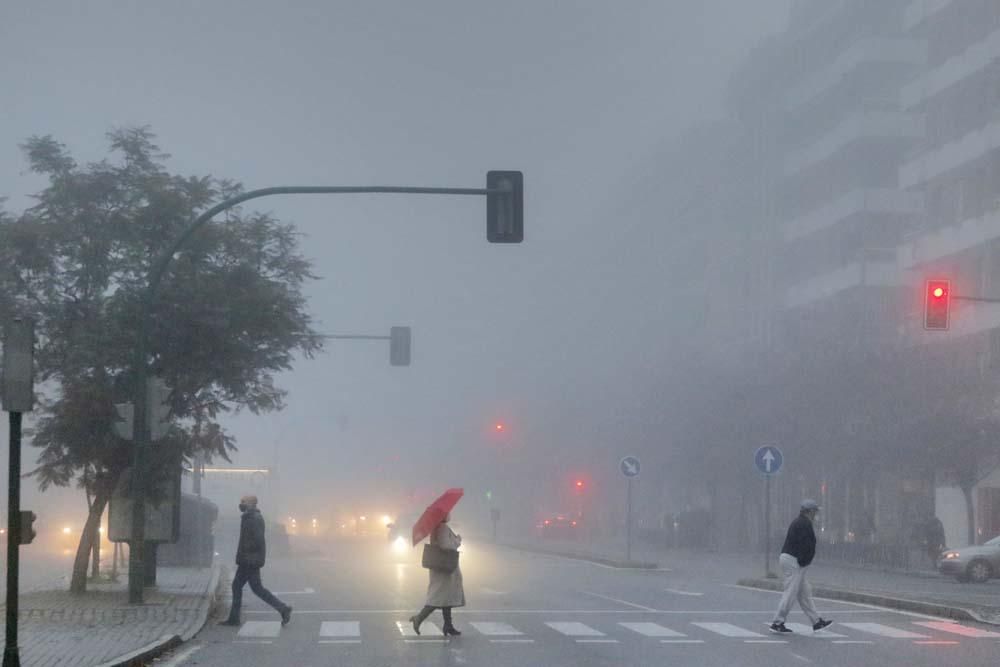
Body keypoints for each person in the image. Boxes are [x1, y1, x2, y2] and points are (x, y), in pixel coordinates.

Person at [219, 495, 292, 627]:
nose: (241, 504)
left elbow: (258, 540)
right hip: (249, 559)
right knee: (256, 588)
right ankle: (283, 609)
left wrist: (246, 550)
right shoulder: (249, 517)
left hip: (249, 560)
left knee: (238, 586)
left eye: (243, 502)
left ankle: (234, 619)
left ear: (252, 503)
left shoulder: (254, 519)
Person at [769, 499, 832, 634]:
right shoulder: (804, 524)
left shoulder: (800, 522)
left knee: (804, 592)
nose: (816, 514)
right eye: (815, 511)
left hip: (791, 559)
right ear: (809, 512)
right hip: (794, 561)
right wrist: (804, 561)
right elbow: (806, 545)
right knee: (791, 592)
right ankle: (777, 622)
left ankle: (816, 621)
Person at [410, 512, 465, 636]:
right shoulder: (442, 528)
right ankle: (419, 618)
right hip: (444, 568)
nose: (450, 515)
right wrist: (457, 541)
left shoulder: (437, 527)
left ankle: (448, 625)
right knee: (438, 597)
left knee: (445, 597)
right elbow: (445, 545)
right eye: (447, 513)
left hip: (441, 567)